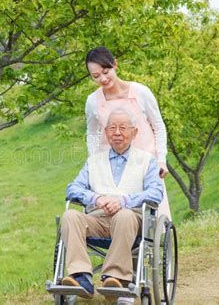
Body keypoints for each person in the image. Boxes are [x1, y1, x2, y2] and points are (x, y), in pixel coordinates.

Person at [61, 109, 164, 302]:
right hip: (98, 220)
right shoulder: (93, 162)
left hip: (132, 220)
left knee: (123, 216)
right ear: (106, 132)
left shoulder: (146, 161)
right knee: (70, 216)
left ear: (134, 133)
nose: (117, 133)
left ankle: (115, 277)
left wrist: (123, 201)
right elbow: (72, 189)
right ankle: (81, 276)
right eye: (112, 128)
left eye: (123, 128)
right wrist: (96, 199)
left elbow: (156, 193)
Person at [84, 46, 171, 220]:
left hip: (144, 163)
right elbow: (92, 134)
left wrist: (161, 160)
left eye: (105, 71)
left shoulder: (141, 92)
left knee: (147, 219)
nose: (103, 78)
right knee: (111, 218)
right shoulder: (93, 101)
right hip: (112, 168)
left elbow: (159, 126)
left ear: (115, 64)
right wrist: (94, 162)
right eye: (96, 76)